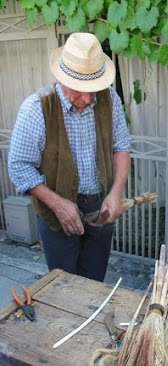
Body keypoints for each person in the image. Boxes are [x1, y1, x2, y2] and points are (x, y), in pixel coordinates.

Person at [8, 33, 131, 282]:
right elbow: (19, 166)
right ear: (61, 78)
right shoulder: (36, 108)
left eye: (93, 89)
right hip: (57, 215)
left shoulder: (110, 99)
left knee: (94, 283)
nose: (88, 98)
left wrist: (116, 190)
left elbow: (122, 147)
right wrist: (57, 203)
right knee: (63, 286)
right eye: (80, 89)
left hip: (100, 209)